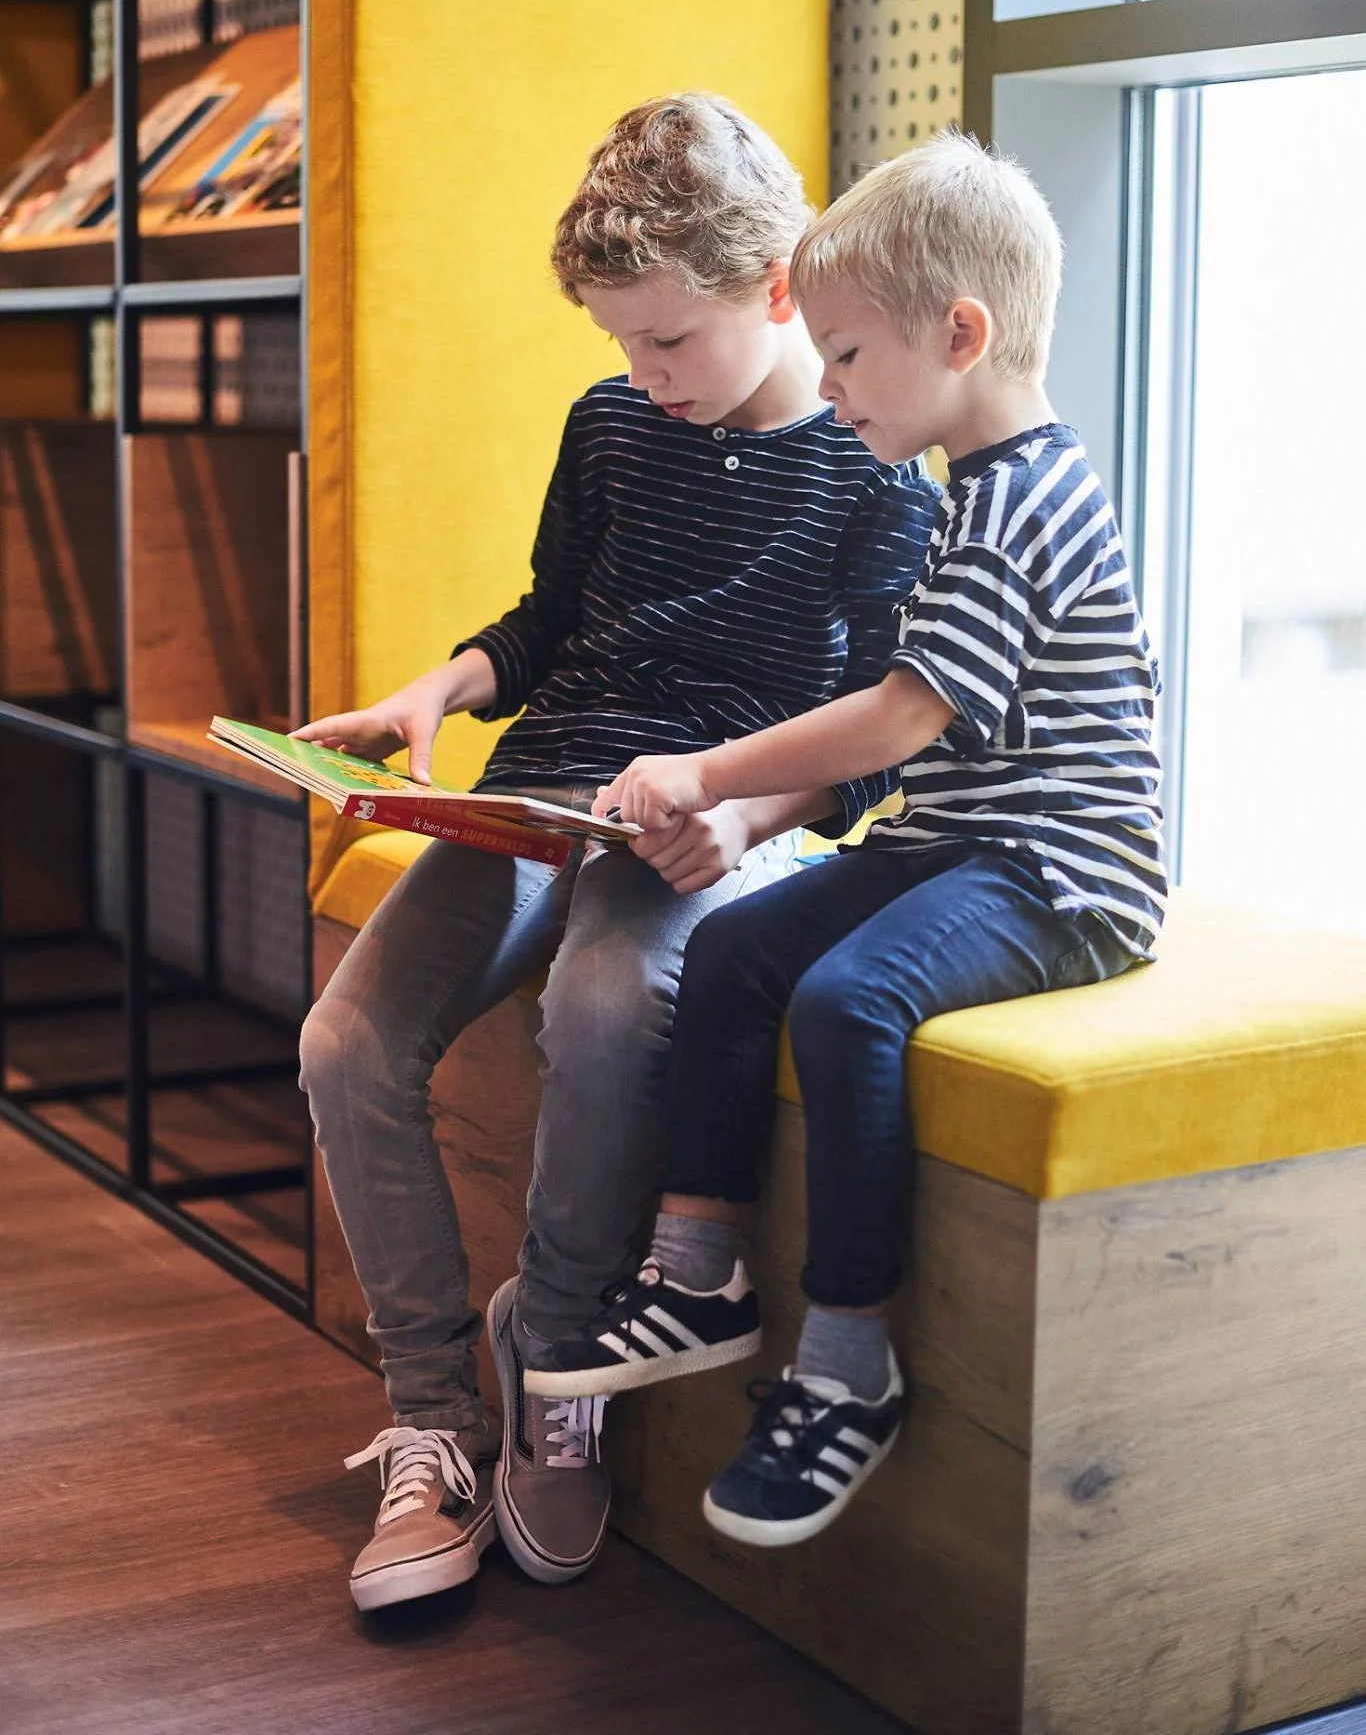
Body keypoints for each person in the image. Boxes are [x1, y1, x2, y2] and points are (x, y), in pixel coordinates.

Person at [294, 93, 941, 1607]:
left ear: (775, 287)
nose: (644, 377)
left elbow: (873, 745)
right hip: (550, 791)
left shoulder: (875, 480)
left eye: (668, 341)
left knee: (603, 1001)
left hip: (712, 822)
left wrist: (743, 815)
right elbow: (549, 622)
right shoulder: (611, 426)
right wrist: (435, 691)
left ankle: (562, 1367)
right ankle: (434, 1421)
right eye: (619, 344)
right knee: (345, 1040)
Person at [524, 130, 1166, 1550]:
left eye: (850, 355)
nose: (826, 387)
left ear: (961, 335)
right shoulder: (963, 490)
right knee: (739, 947)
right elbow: (907, 750)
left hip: (1060, 866)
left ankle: (846, 1360)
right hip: (959, 835)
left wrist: (705, 771)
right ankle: (699, 1272)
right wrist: (739, 810)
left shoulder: (1024, 501)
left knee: (844, 996)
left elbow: (897, 716)